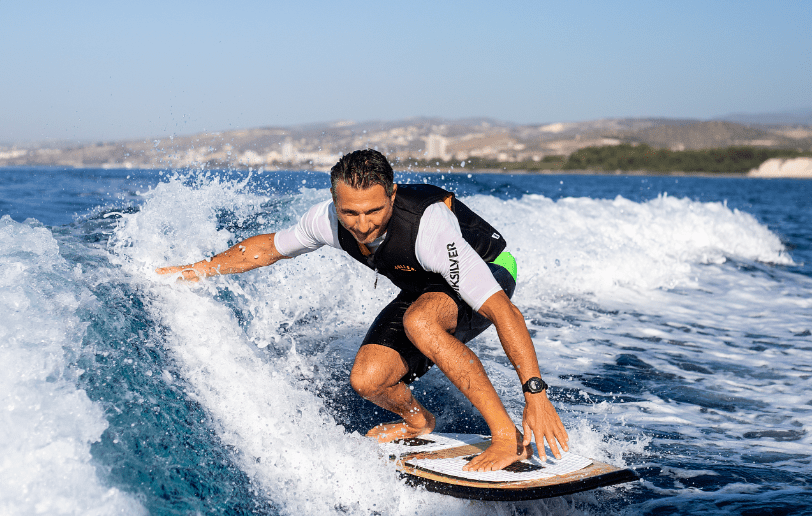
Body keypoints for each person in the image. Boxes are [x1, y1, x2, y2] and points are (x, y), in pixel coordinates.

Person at [156, 149, 569, 472]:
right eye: (350, 212)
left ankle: (506, 437)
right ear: (335, 202)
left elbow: (504, 312)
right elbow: (269, 248)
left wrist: (535, 393)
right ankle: (418, 420)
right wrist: (200, 270)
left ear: (391, 193)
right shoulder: (328, 220)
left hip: (488, 267)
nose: (363, 224)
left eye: (374, 210)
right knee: (368, 380)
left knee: (420, 321)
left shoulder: (428, 226)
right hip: (425, 284)